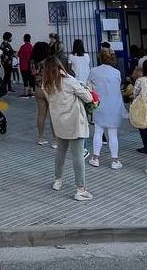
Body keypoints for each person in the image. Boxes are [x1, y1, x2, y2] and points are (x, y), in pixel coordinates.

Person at [43, 56, 94, 201]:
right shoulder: (70, 81)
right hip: (75, 123)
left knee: (60, 152)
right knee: (77, 155)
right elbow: (89, 98)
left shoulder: (46, 84)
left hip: (59, 123)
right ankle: (80, 189)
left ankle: (57, 181)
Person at [87, 49, 125, 170]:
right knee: (113, 134)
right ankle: (115, 160)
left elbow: (89, 87)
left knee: (98, 132)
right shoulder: (117, 72)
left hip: (99, 104)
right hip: (114, 105)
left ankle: (95, 158)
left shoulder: (93, 71)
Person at [31, 40, 53, 146]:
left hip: (38, 88)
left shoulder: (33, 61)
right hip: (49, 89)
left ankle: (40, 137)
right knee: (53, 115)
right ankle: (56, 140)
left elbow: (33, 74)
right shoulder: (49, 61)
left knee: (41, 114)